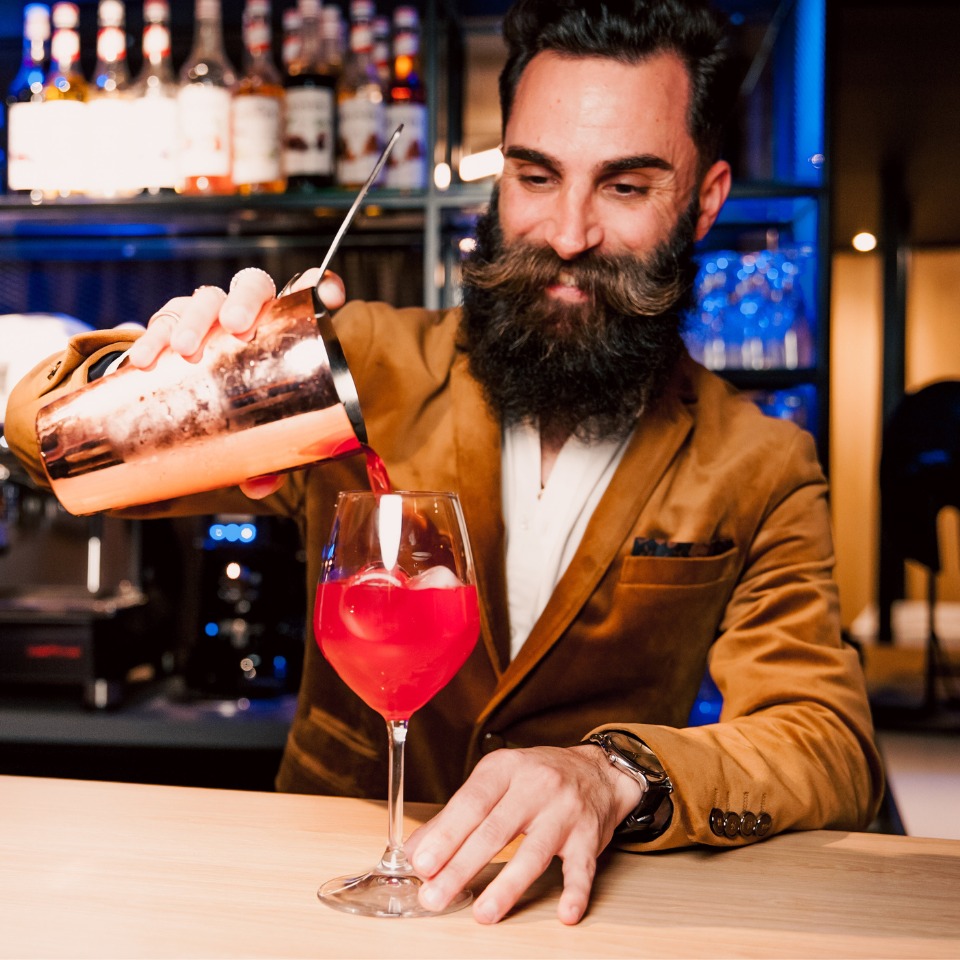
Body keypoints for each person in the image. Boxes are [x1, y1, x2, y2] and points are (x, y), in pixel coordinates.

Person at [6, 0, 882, 927]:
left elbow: (827, 741)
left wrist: (615, 769)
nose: (569, 233)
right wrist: (163, 372)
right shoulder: (361, 368)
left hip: (564, 915)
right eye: (536, 176)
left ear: (703, 198)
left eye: (625, 187)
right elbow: (44, 441)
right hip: (311, 899)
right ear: (498, 178)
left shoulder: (761, 460)